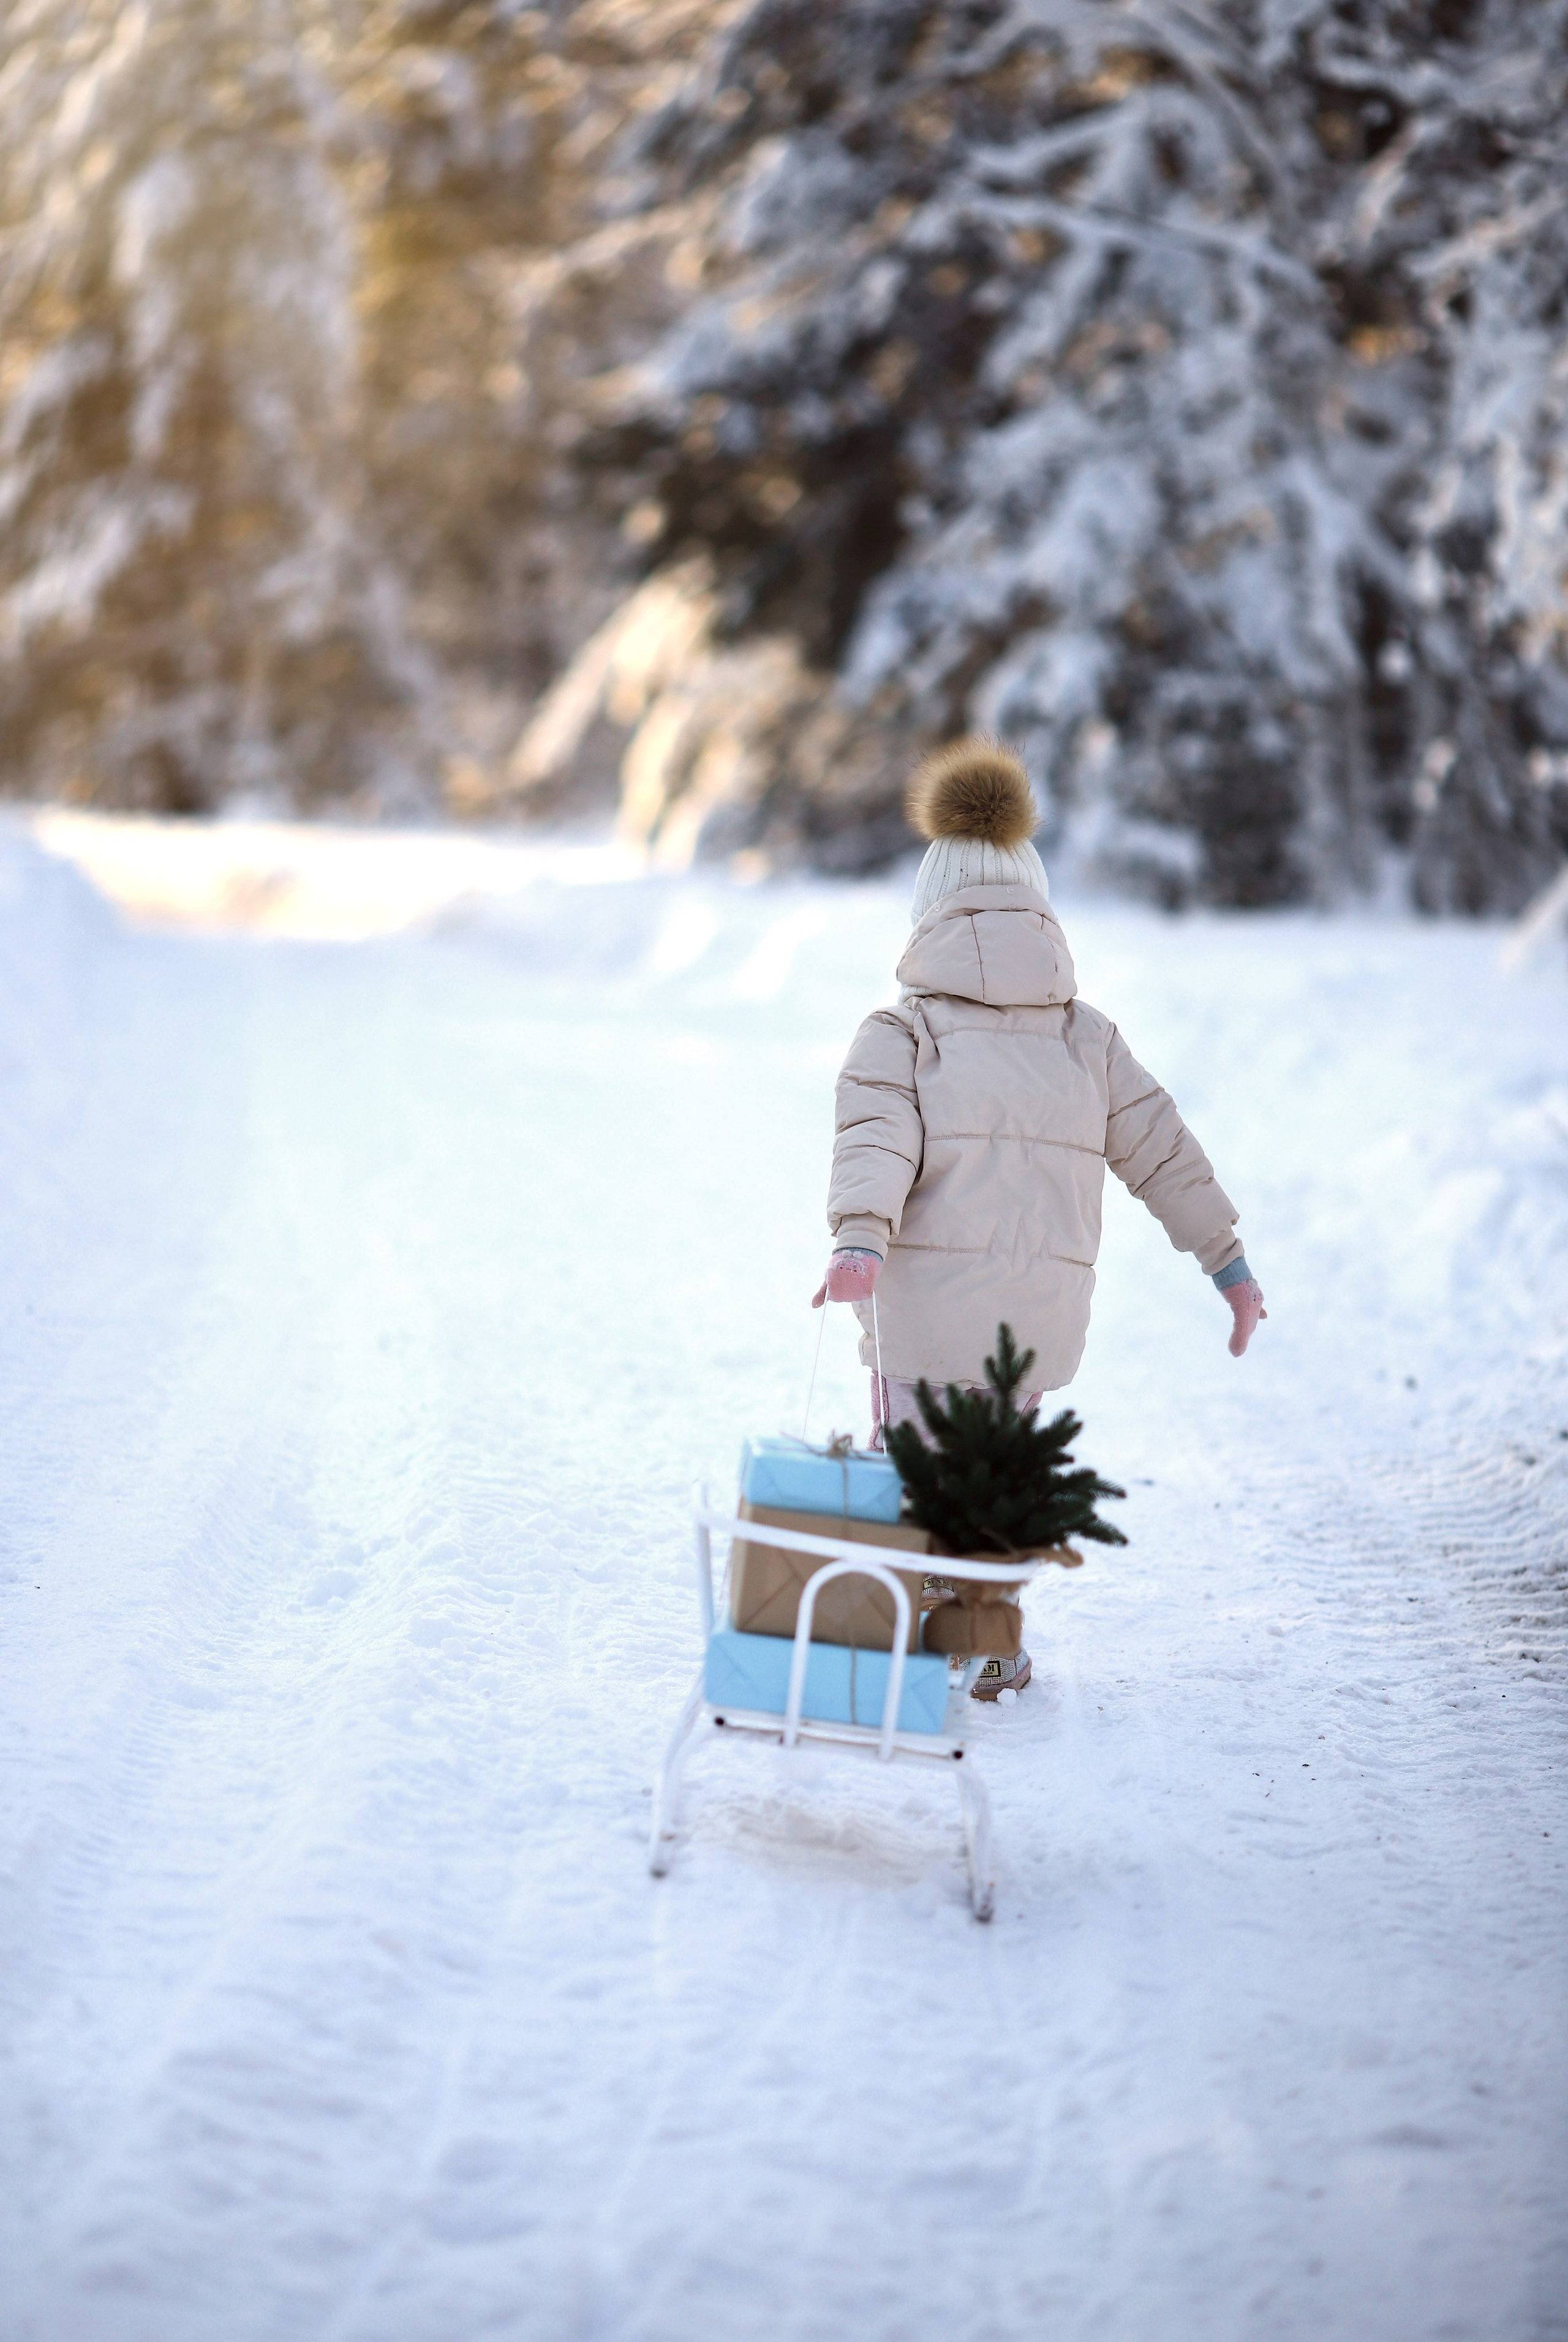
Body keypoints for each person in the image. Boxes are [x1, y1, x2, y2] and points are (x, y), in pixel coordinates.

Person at [812, 738, 1265, 1693]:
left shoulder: (903, 1033)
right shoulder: (1088, 1038)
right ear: (1042, 913)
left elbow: (877, 1145)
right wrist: (1227, 1261)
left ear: (928, 916)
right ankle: (994, 1640)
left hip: (920, 1317)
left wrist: (859, 1241)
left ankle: (941, 1618)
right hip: (1036, 1325)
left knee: (922, 1473)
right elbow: (1163, 1150)